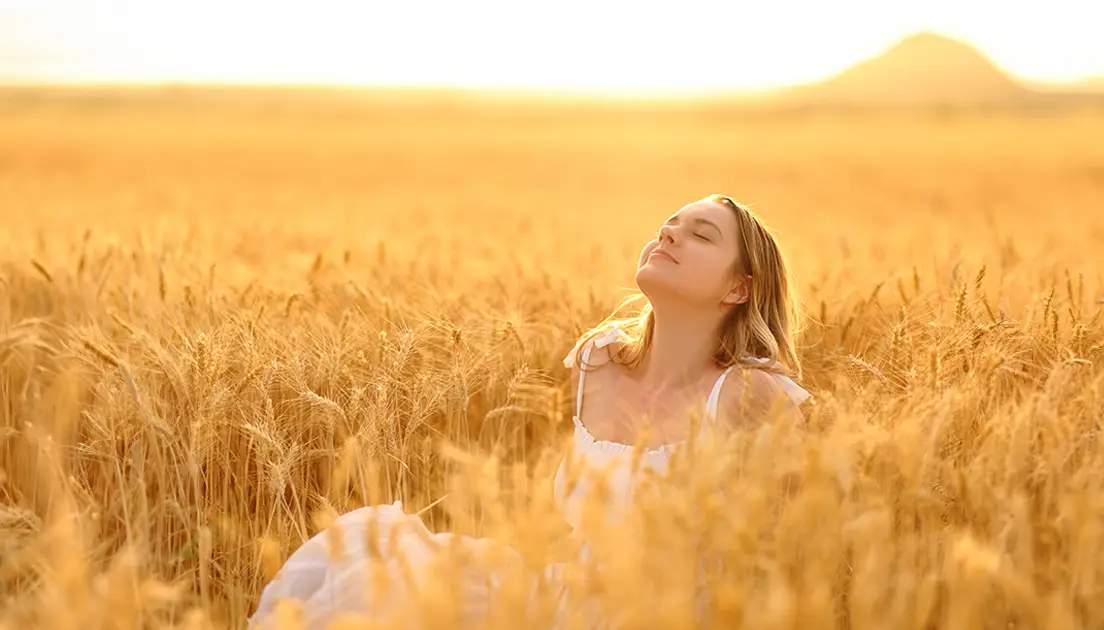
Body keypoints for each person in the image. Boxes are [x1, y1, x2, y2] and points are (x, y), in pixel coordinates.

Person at [247, 194, 812, 629]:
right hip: (562, 599)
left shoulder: (750, 394)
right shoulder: (600, 362)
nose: (669, 233)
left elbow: (795, 541)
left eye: (701, 234)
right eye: (670, 223)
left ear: (738, 287)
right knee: (368, 569)